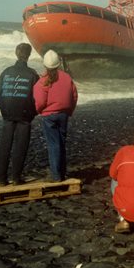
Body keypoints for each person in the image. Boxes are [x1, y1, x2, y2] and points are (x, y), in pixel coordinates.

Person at [0, 43, 39, 186]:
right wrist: (32, 113)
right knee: (21, 145)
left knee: (5, 145)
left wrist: (4, 110)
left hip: (8, 113)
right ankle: (15, 178)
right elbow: (37, 97)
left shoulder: (6, 72)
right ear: (29, 55)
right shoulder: (32, 74)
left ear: (16, 53)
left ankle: (2, 179)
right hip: (25, 115)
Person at [33, 49, 78, 182]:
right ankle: (62, 173)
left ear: (45, 65)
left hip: (49, 116)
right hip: (63, 114)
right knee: (61, 143)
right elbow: (74, 96)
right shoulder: (67, 77)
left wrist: (39, 111)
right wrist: (70, 111)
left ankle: (56, 175)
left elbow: (40, 101)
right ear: (58, 64)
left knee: (53, 144)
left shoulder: (43, 81)